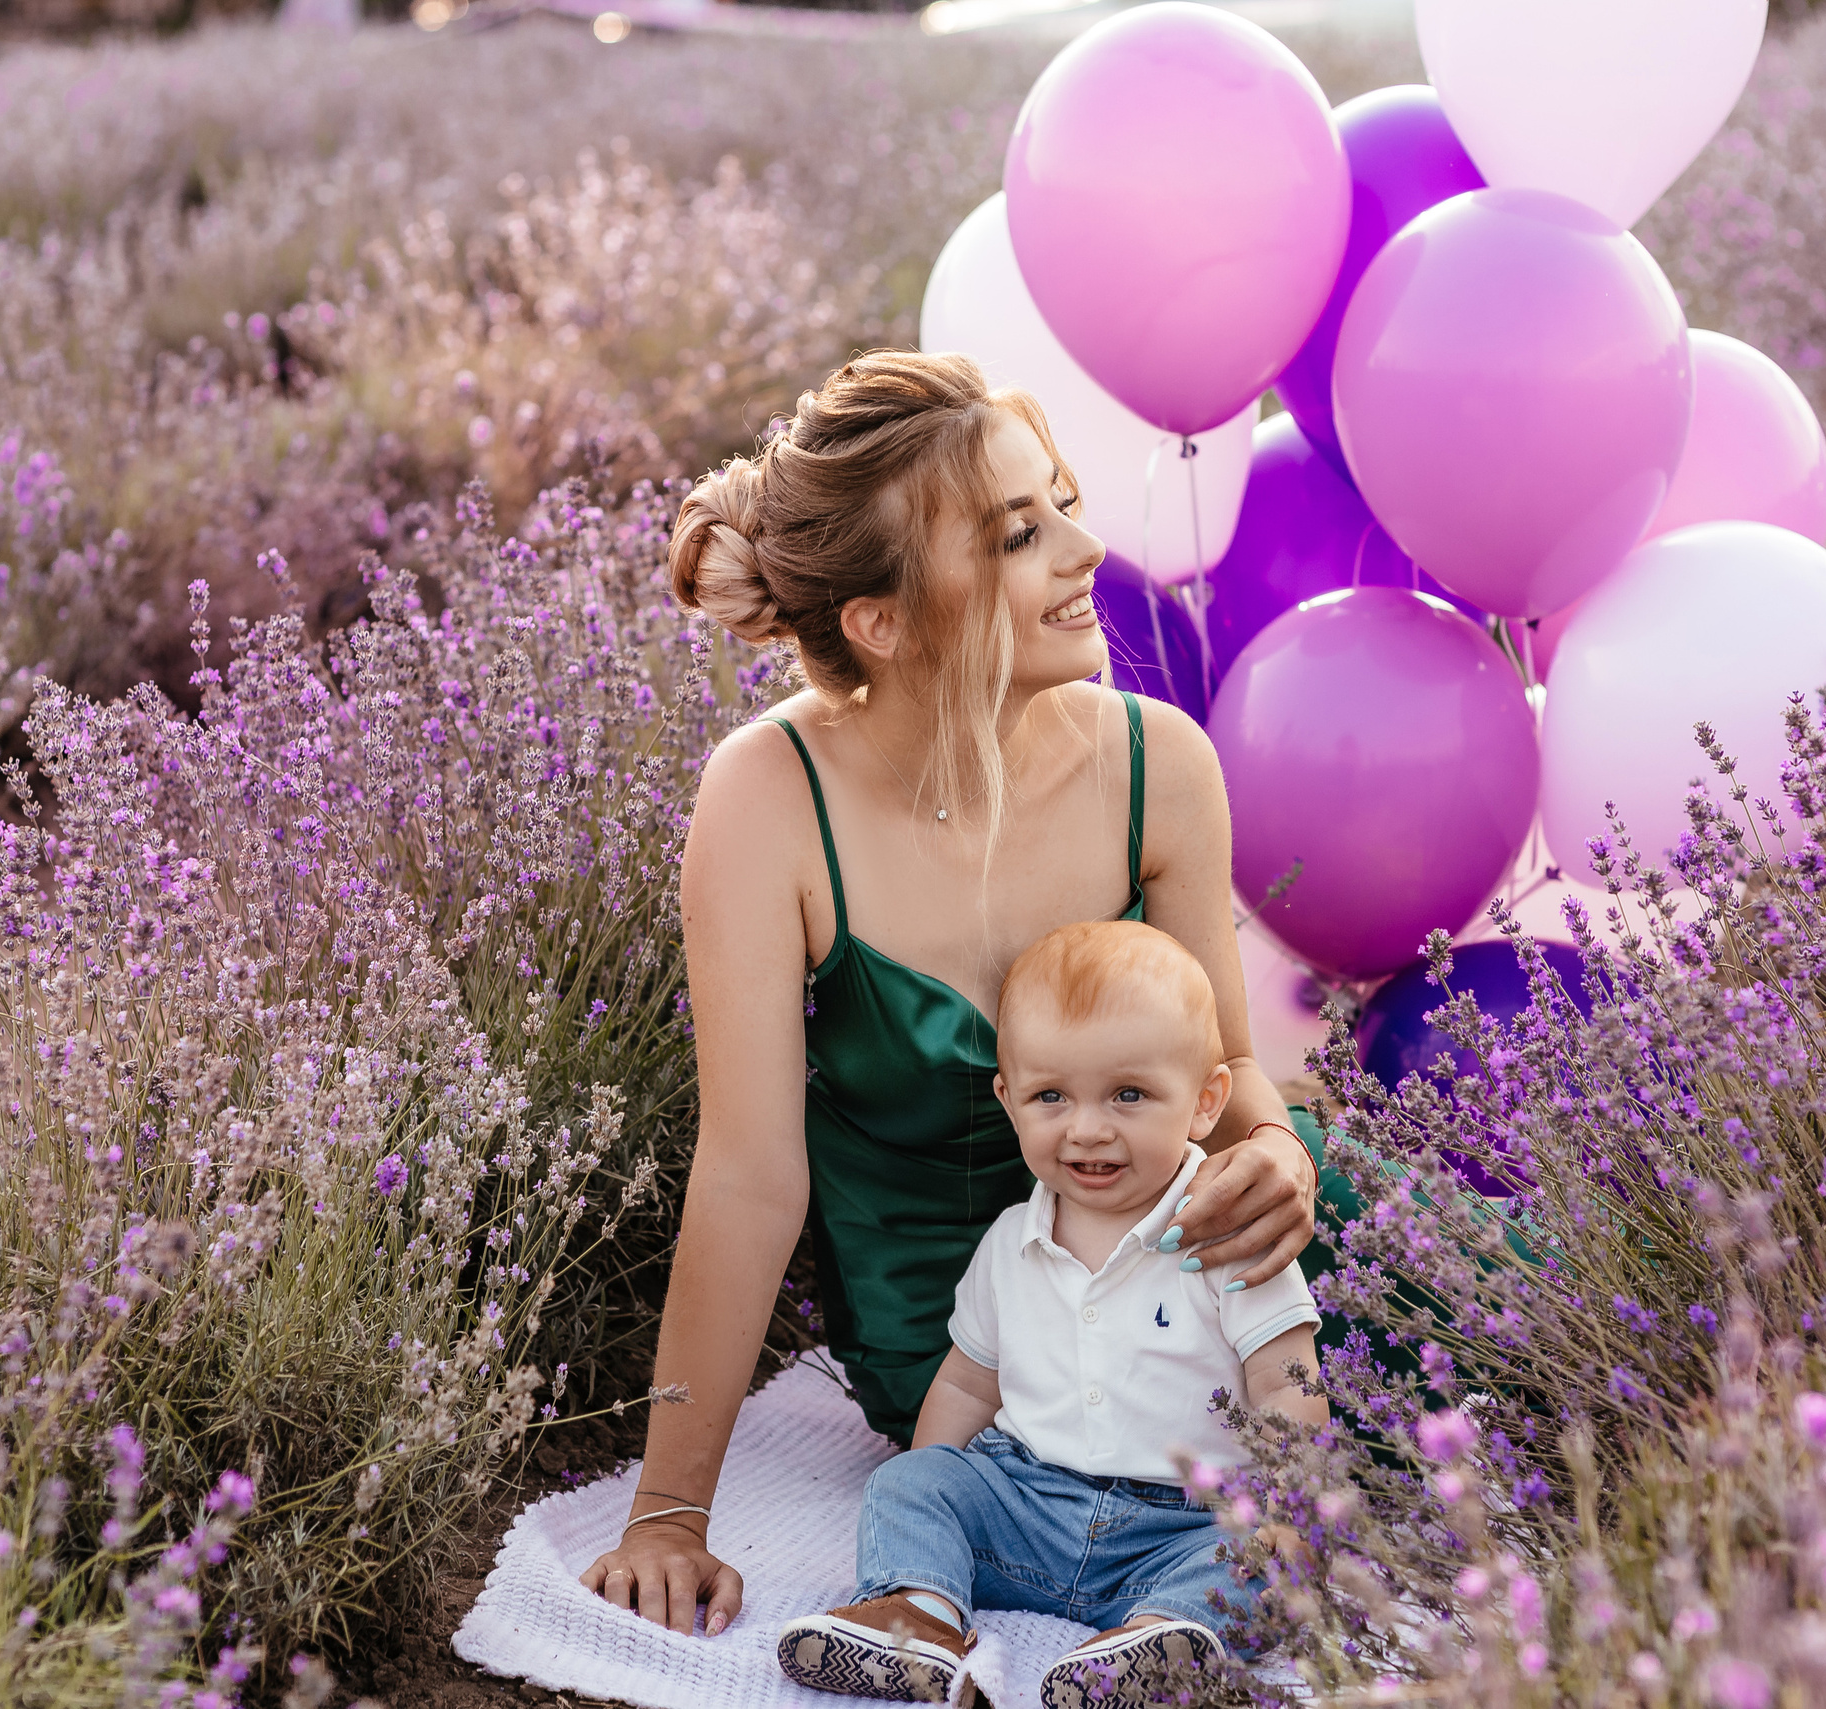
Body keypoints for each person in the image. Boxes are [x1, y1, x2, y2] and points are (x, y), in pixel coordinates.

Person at [577, 350, 1357, 1641]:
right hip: (965, 1338)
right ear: (883, 622)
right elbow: (749, 1176)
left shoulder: (1161, 761)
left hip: (1199, 1265)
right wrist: (667, 1513)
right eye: (1018, 534)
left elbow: (1228, 1072)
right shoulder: (768, 798)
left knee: (1487, 1297)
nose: (1087, 550)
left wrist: (1273, 1148)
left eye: (1064, 503)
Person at [775, 920, 1326, 1709]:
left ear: (1206, 1101)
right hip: (1027, 1507)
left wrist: (1289, 1512)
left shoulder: (1227, 1232)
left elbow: (1286, 1382)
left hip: (1183, 1522)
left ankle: (1158, 1639)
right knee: (910, 1481)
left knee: (1257, 1559)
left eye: (1128, 1094)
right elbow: (967, 1384)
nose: (1087, 1128)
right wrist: (941, 1493)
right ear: (1009, 1100)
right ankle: (919, 1612)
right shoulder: (1010, 1242)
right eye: (1051, 1096)